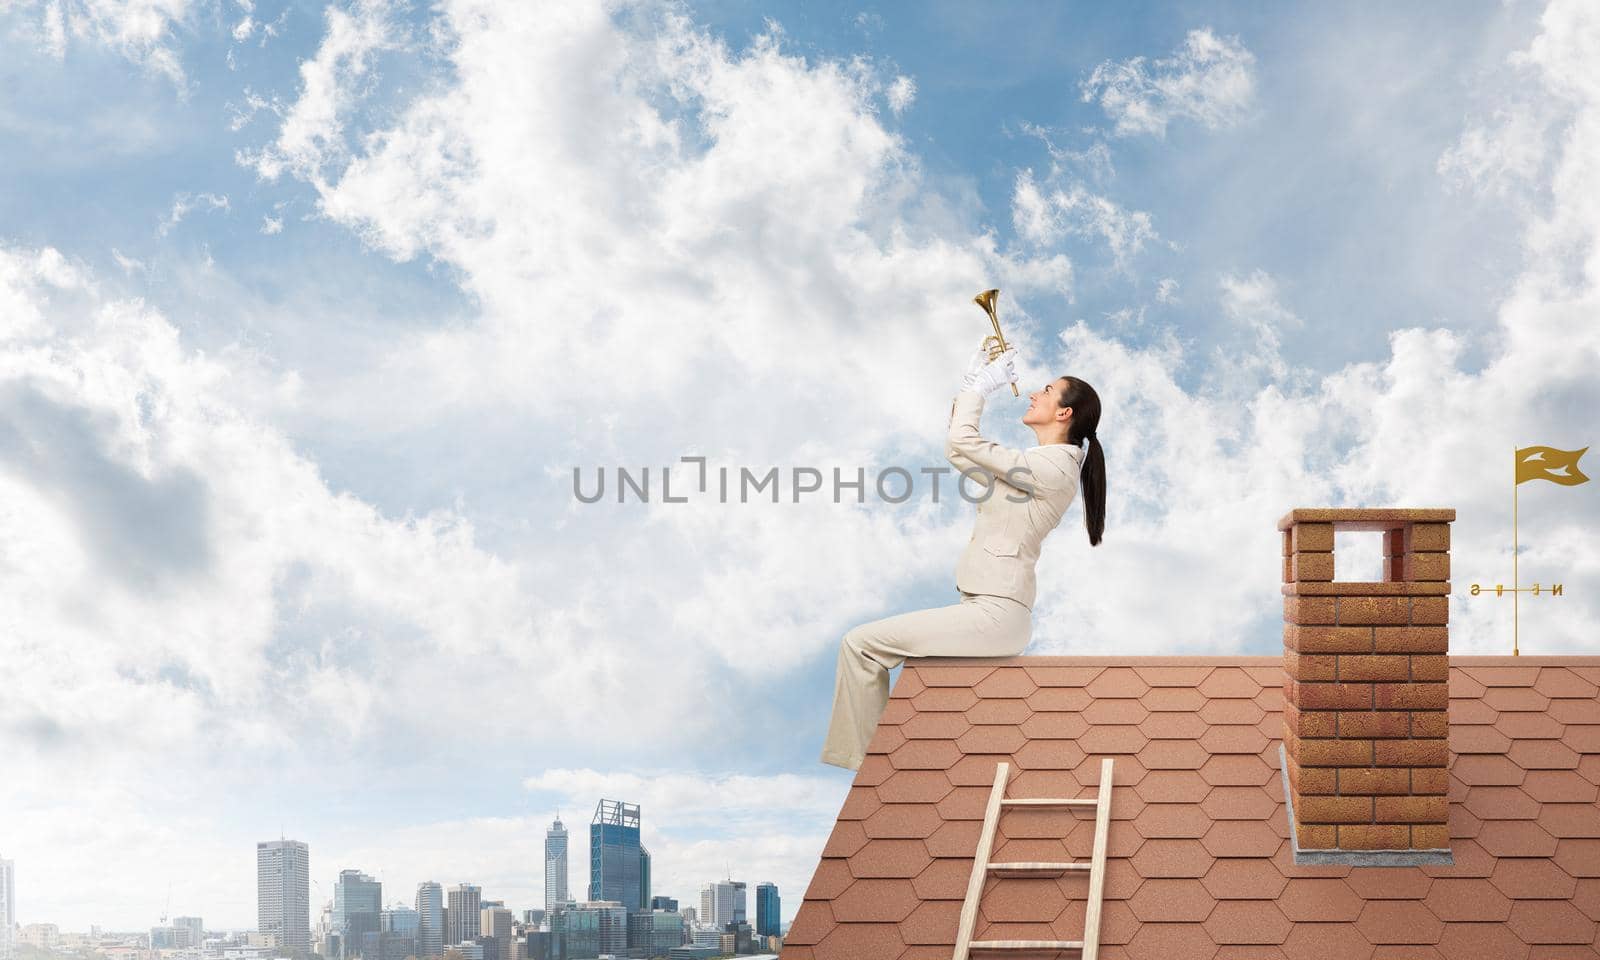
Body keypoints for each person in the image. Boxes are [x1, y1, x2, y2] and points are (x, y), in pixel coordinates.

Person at [818, 344, 1106, 771]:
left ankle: (866, 771)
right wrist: (967, 389)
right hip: (985, 609)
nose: (1033, 395)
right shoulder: (1033, 465)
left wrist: (981, 392)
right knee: (881, 655)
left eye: (1047, 391)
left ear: (1064, 413)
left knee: (861, 645)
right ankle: (878, 767)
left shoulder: (1054, 468)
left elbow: (964, 439)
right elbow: (960, 451)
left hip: (997, 614)